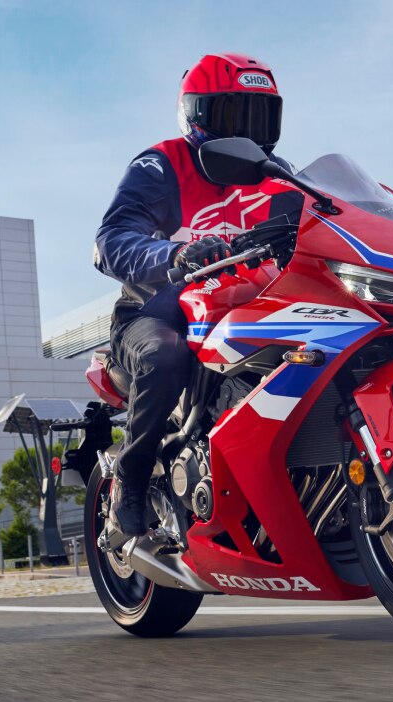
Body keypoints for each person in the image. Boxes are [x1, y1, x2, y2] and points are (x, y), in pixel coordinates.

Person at [93, 53, 292, 536]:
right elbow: (111, 240)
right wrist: (171, 257)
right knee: (165, 356)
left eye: (257, 117)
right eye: (231, 116)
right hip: (158, 312)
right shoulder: (160, 166)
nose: (244, 132)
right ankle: (132, 479)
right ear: (196, 114)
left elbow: (330, 218)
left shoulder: (279, 173)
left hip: (252, 307)